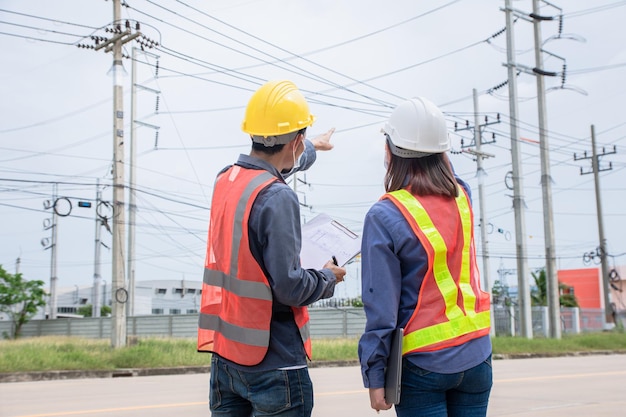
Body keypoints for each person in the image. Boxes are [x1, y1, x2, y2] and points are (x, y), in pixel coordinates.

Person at [197, 79, 347, 417]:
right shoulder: (277, 196)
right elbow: (290, 287)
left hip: (227, 361)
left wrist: (313, 148)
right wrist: (328, 277)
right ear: (295, 140)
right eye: (303, 140)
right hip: (274, 363)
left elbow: (273, 167)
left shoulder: (227, 179)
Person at [358, 97, 493, 416]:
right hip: (476, 355)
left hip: (423, 366)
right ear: (442, 152)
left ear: (390, 151)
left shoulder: (385, 215)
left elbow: (381, 306)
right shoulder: (462, 196)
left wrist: (376, 374)